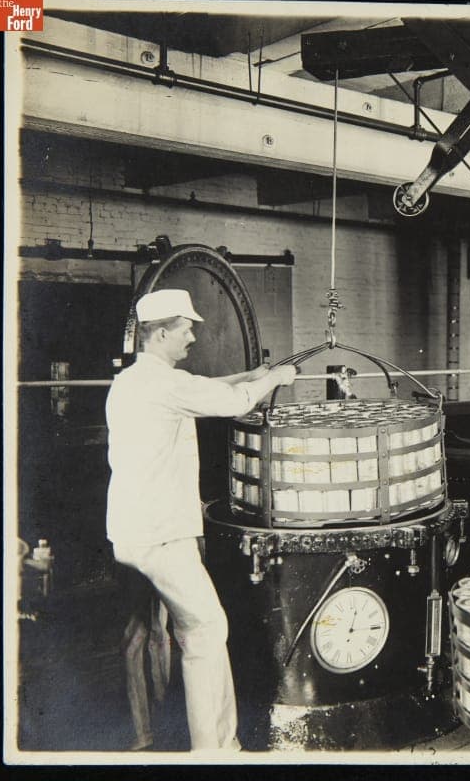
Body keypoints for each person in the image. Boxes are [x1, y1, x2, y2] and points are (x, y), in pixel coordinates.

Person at [106, 288, 297, 752]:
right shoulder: (165, 385)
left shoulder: (134, 381)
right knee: (207, 631)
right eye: (187, 327)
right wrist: (275, 379)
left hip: (131, 534)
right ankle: (215, 751)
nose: (193, 334)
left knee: (161, 633)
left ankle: (156, 737)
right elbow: (233, 404)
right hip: (162, 536)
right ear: (163, 332)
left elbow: (205, 387)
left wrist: (253, 373)